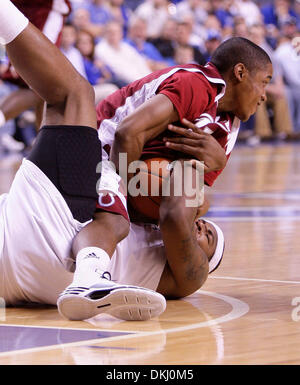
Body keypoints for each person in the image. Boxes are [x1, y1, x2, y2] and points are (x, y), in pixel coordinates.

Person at [0, 0, 225, 322]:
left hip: (49, 238)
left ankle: (90, 274)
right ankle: (90, 276)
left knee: (73, 96)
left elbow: (177, 214)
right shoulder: (149, 228)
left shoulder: (190, 276)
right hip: (23, 278)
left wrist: (210, 164)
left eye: (210, 237)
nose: (202, 226)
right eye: (205, 226)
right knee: (111, 210)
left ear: (208, 261)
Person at [91, 35, 273, 301]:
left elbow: (188, 195)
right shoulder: (195, 83)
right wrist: (125, 202)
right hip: (96, 151)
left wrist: (216, 164)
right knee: (150, 201)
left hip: (129, 170)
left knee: (199, 204)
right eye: (264, 83)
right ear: (240, 72)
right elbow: (127, 134)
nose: (264, 96)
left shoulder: (229, 128)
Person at [0, 0, 72, 145]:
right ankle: (45, 147)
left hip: (23, 13)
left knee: (41, 86)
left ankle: (43, 147)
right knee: (42, 81)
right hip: (44, 12)